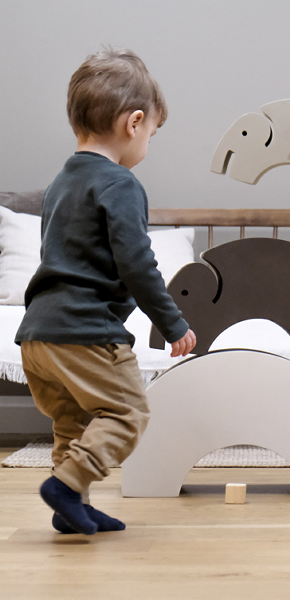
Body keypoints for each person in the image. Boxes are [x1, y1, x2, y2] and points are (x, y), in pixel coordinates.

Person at [15, 48, 196, 533]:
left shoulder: (61, 182)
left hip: (37, 336)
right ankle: (66, 486)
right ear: (134, 123)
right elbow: (137, 263)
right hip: (85, 332)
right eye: (152, 132)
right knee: (128, 412)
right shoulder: (120, 184)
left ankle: (71, 506)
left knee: (73, 424)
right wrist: (172, 322)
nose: (147, 142)